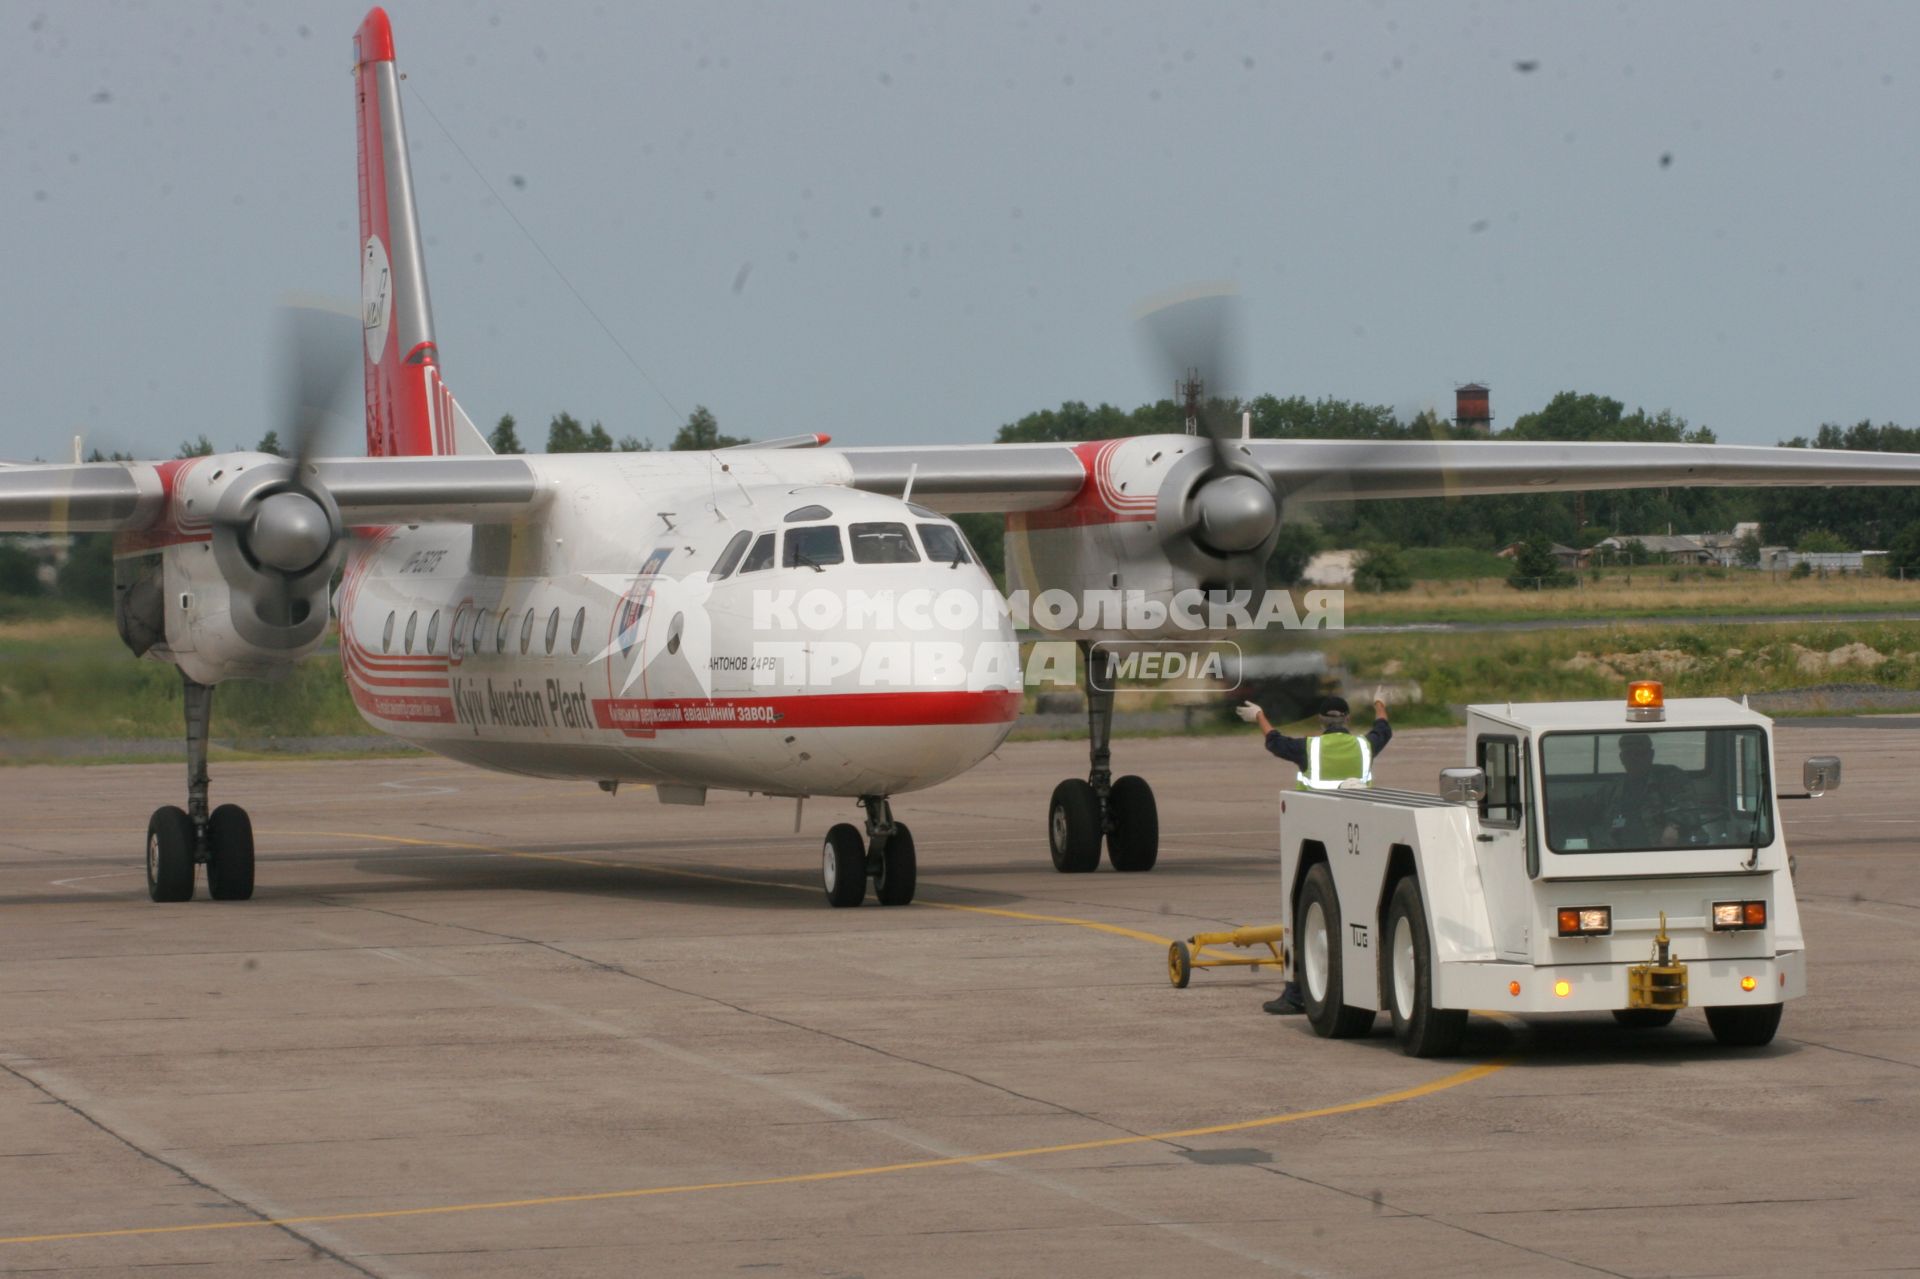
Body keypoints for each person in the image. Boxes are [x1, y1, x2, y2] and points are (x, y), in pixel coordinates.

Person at [1238, 689, 1393, 1015]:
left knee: (1301, 915)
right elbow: (1384, 730)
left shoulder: (1311, 748)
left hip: (1315, 842)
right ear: (1348, 720)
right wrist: (1379, 703)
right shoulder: (1365, 747)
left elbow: (1276, 743)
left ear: (1321, 722)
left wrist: (1260, 717)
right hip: (1358, 840)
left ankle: (1295, 994)